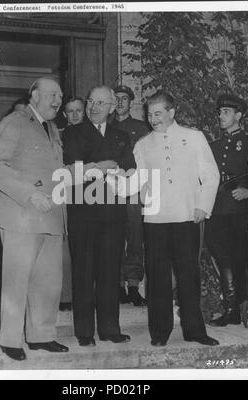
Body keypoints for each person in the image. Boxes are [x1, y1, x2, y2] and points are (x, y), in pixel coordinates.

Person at [108, 90, 220, 346]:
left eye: (158, 113)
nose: (153, 118)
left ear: (172, 112)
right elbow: (134, 182)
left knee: (188, 274)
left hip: (186, 216)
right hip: (155, 218)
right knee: (157, 277)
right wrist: (114, 178)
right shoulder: (143, 144)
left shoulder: (194, 138)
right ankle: (160, 333)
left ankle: (195, 331)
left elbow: (211, 175)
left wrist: (203, 205)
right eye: (150, 114)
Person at [0, 77, 69, 361]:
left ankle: (41, 336)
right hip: (20, 215)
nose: (58, 100)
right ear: (34, 95)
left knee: (48, 282)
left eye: (60, 95)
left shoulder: (53, 129)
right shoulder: (15, 122)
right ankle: (10, 339)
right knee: (16, 280)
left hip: (51, 215)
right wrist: (29, 193)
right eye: (51, 95)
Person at [63, 85, 135, 347]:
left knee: (109, 272)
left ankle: (109, 329)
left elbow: (129, 169)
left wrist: (109, 170)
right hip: (82, 212)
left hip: (113, 213)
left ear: (112, 107)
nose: (93, 107)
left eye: (100, 103)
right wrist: (105, 166)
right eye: (91, 101)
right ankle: (84, 332)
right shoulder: (72, 133)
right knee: (83, 272)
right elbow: (73, 165)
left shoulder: (121, 136)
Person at [205, 94, 248, 327]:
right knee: (223, 259)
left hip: (240, 211)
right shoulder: (214, 145)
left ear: (239, 115)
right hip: (216, 209)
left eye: (226, 112)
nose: (221, 116)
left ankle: (240, 309)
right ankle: (232, 308)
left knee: (240, 259)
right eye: (220, 112)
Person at [111, 85, 149, 306]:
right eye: (116, 98)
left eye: (124, 98)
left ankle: (133, 284)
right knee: (113, 237)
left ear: (130, 102)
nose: (120, 102)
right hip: (111, 191)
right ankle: (117, 286)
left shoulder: (141, 128)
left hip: (134, 189)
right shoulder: (105, 127)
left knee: (135, 237)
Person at [58, 97, 85, 312]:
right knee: (66, 243)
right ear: (64, 114)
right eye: (70, 111)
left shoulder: (94, 135)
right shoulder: (58, 136)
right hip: (66, 192)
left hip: (91, 196)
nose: (75, 115)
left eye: (78, 110)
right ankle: (66, 295)